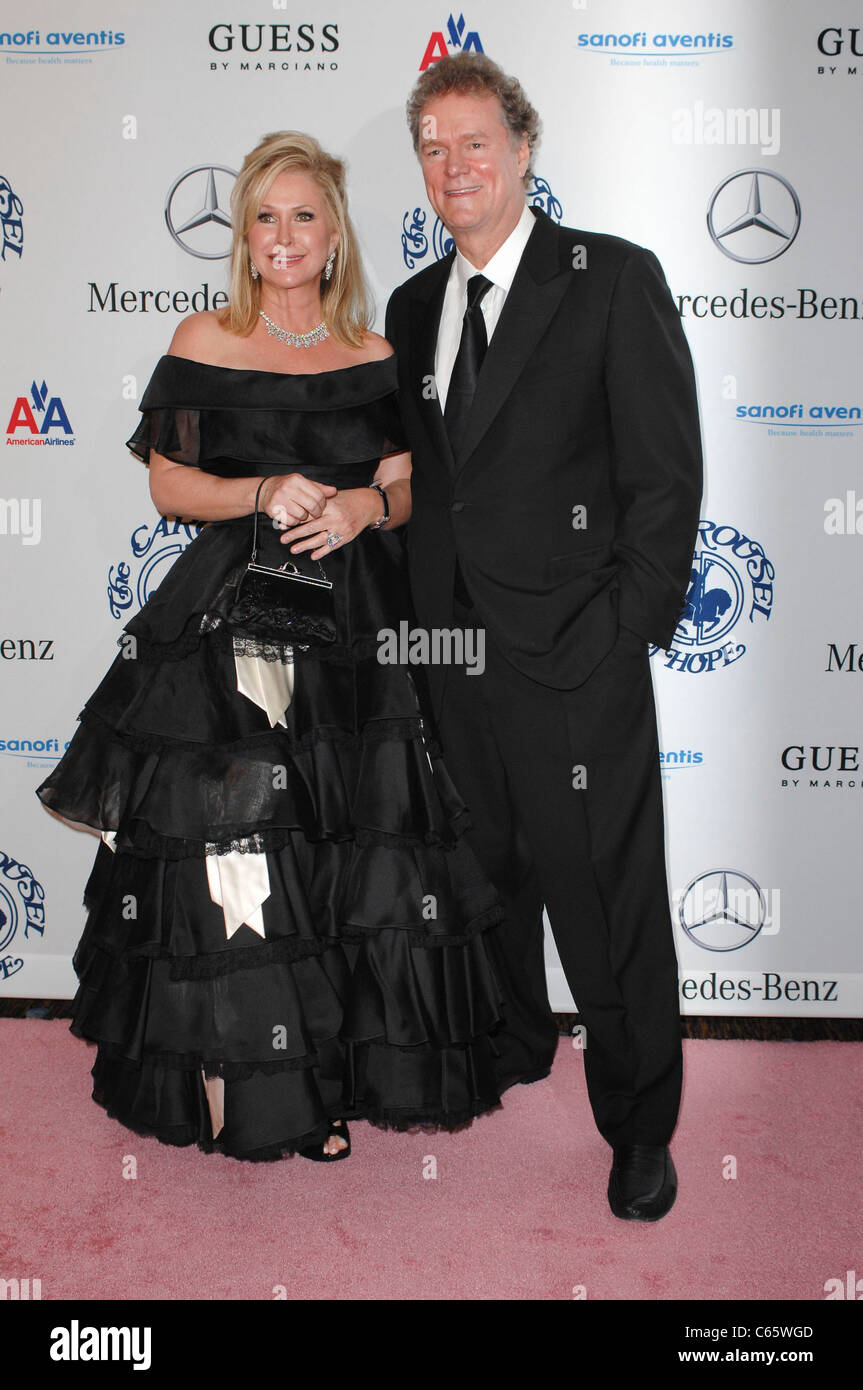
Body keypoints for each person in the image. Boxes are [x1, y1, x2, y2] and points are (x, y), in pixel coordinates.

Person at [36, 130, 516, 1163]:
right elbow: (169, 485)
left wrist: (360, 508)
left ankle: (322, 1080)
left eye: (303, 216)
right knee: (237, 850)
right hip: (231, 629)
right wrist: (259, 490)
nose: (283, 235)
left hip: (354, 635)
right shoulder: (205, 340)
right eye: (264, 216)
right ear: (244, 239)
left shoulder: (375, 354)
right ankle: (240, 1075)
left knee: (344, 855)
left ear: (334, 235)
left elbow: (408, 483)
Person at [385, 55, 703, 1219]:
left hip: (578, 658)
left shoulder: (610, 279)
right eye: (431, 147)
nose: (452, 166)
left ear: (523, 151)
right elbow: (434, 481)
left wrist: (623, 631)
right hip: (453, 663)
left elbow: (665, 483)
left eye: (473, 142)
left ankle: (638, 1124)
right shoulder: (415, 305)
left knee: (606, 901)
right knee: (487, 877)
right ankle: (516, 1041)